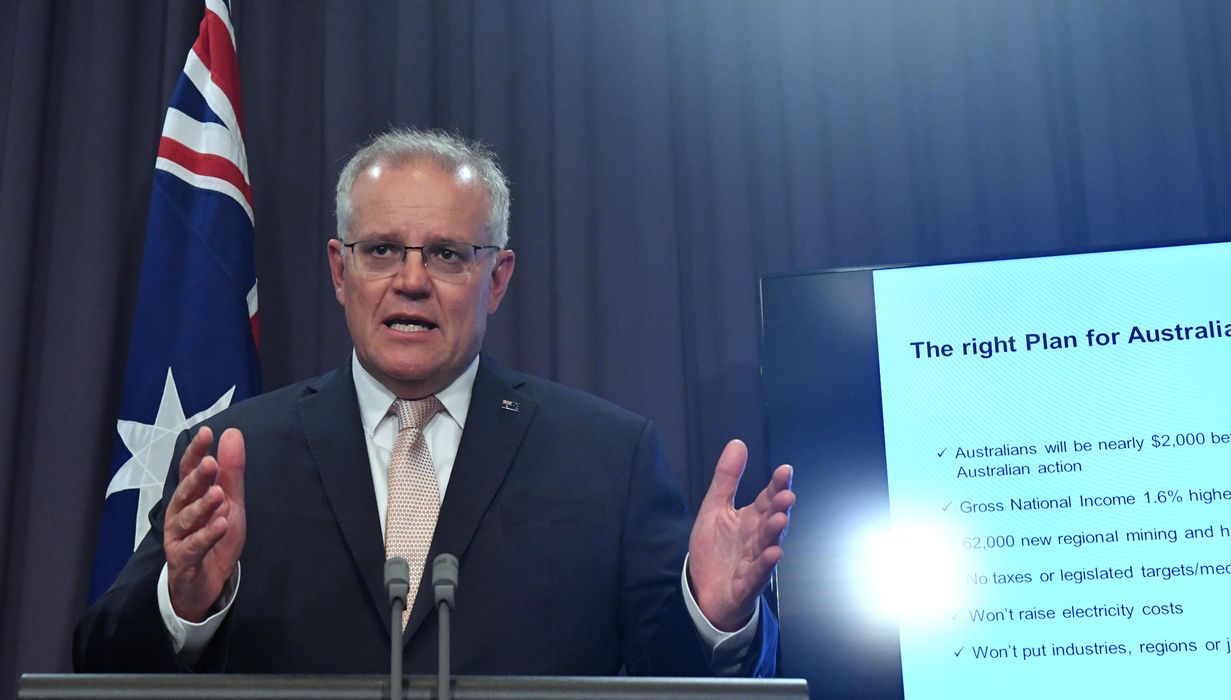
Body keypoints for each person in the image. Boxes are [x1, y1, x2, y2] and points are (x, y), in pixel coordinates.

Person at [74, 129, 794, 676]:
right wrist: (185, 602)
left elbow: (672, 669)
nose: (410, 280)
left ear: (498, 278)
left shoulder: (607, 455)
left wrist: (713, 613)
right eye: (381, 250)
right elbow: (102, 662)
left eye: (447, 254)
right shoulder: (236, 452)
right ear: (339, 270)